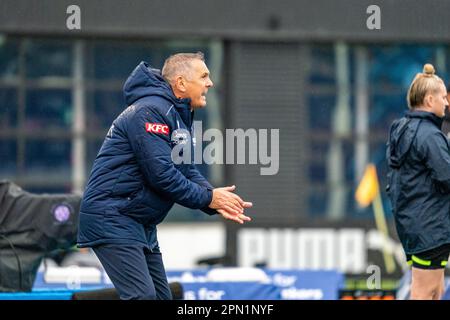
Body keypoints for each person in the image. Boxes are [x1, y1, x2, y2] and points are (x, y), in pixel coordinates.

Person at [77, 52, 252, 300]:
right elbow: (162, 175)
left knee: (161, 298)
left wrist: (214, 198)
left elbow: (186, 169)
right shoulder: (150, 111)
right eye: (204, 76)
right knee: (144, 298)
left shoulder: (175, 114)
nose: (210, 83)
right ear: (181, 83)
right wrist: (208, 198)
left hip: (138, 221)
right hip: (113, 217)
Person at [386, 63, 450, 300]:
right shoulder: (430, 135)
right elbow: (447, 178)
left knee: (438, 289)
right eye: (443, 97)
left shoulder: (400, 128)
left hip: (415, 225)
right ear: (429, 99)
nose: (446, 102)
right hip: (429, 228)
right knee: (426, 290)